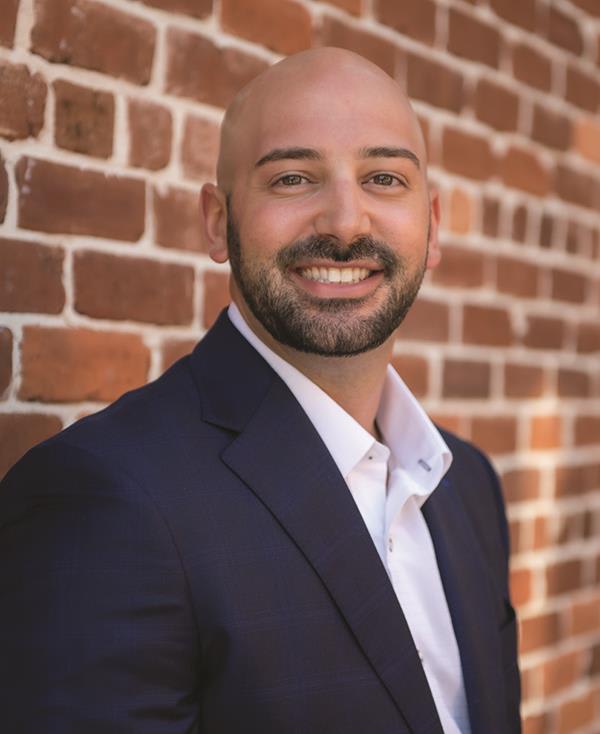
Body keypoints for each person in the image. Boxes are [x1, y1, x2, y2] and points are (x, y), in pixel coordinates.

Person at [0, 48, 520, 733]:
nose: (345, 222)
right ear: (218, 221)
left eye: (384, 178)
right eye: (293, 178)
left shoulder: (469, 486)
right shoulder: (104, 496)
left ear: (433, 227)